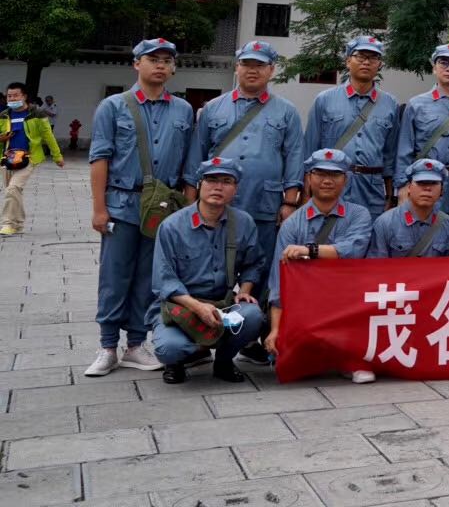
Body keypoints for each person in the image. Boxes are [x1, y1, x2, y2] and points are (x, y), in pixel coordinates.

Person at [86, 38, 195, 378]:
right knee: (114, 275)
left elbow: (189, 165)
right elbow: (99, 158)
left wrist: (188, 210)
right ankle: (107, 346)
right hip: (122, 203)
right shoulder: (113, 106)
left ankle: (135, 344)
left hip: (163, 209)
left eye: (167, 60)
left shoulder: (183, 110)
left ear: (173, 68)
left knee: (149, 278)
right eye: (152, 59)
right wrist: (99, 208)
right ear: (137, 64)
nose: (160, 65)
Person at [189, 42, 306, 319]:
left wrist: (290, 202)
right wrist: (191, 201)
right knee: (211, 264)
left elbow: (294, 157)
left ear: (271, 70)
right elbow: (196, 156)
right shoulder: (213, 109)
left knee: (262, 264)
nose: (252, 70)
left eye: (260, 65)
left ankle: (255, 327)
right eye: (247, 64)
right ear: (237, 67)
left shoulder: (286, 111)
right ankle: (208, 323)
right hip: (216, 203)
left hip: (264, 201)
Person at [151, 156, 266, 385]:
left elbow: (254, 262)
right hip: (182, 306)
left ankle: (223, 361)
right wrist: (197, 307)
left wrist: (244, 290)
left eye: (226, 181)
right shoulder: (172, 226)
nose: (218, 187)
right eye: (211, 180)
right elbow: (164, 280)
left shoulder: (243, 223)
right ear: (199, 184)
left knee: (253, 316)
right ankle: (177, 362)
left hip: (223, 304)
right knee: (169, 348)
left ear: (235, 189)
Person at [263, 149, 375, 380]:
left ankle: (351, 359)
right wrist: (275, 330)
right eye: (320, 174)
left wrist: (310, 250)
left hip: (348, 301)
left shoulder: (359, 215)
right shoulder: (292, 225)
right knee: (293, 361)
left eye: (334, 175)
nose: (327, 180)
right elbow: (278, 280)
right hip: (308, 305)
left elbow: (353, 250)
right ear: (309, 178)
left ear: (345, 179)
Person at [303, 35, 402, 217]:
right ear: (348, 61)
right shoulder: (324, 100)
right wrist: (306, 194)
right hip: (332, 185)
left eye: (373, 58)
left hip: (372, 189)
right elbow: (310, 149)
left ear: (379, 64)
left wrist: (390, 197)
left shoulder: (390, 104)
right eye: (360, 56)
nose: (366, 62)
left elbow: (391, 155)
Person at [396, 43, 449, 243]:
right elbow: (404, 150)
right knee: (422, 244)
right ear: (434, 67)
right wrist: (402, 188)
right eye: (443, 62)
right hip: (425, 186)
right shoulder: (416, 104)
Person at [367, 158, 449, 257]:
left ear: (442, 190)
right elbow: (377, 264)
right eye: (421, 182)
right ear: (409, 187)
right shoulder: (385, 223)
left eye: (433, 183)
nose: (427, 188)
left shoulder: (448, 225)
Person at [3, 82, 63, 236]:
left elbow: (48, 136)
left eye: (16, 95)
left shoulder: (37, 114)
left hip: (29, 158)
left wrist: (57, 156)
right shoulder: (4, 115)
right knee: (13, 192)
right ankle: (18, 224)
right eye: (9, 96)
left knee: (13, 188)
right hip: (8, 159)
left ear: (24, 96)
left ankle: (8, 223)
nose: (12, 98)